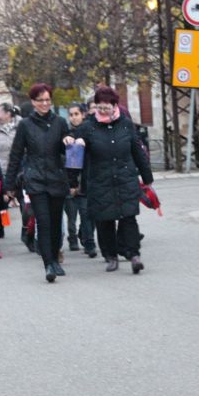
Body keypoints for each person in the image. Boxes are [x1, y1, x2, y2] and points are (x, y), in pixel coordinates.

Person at [72, 86, 153, 274]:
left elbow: (137, 151)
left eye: (106, 107)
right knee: (105, 221)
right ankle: (111, 256)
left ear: (115, 105)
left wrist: (147, 176)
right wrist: (73, 141)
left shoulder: (126, 124)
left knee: (129, 218)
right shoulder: (88, 127)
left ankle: (134, 255)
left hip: (125, 178)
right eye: (99, 107)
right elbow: (73, 146)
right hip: (100, 181)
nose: (102, 111)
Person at [4, 83, 71, 283]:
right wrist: (9, 185)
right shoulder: (25, 125)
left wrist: (69, 140)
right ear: (33, 102)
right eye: (40, 100)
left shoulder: (60, 122)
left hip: (56, 177)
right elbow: (16, 155)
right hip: (35, 179)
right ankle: (48, 263)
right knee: (43, 221)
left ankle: (55, 257)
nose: (44, 103)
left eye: (47, 100)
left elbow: (67, 151)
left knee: (56, 222)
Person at [65, 103, 97, 257]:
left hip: (94, 177)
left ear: (83, 114)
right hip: (79, 181)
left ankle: (83, 234)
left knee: (93, 214)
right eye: (71, 115)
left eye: (76, 114)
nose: (74, 118)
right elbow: (71, 164)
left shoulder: (91, 129)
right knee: (84, 212)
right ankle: (89, 244)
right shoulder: (68, 135)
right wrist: (72, 184)